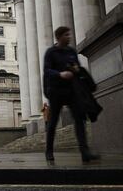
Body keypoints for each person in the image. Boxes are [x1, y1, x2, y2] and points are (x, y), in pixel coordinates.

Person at [44, 26, 100, 163]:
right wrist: (60, 74)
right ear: (59, 37)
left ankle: (84, 152)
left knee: (79, 119)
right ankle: (49, 151)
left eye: (69, 35)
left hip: (72, 91)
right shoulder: (51, 52)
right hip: (56, 92)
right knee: (53, 122)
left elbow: (77, 67)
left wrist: (75, 69)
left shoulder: (71, 51)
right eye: (66, 35)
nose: (69, 37)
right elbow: (47, 71)